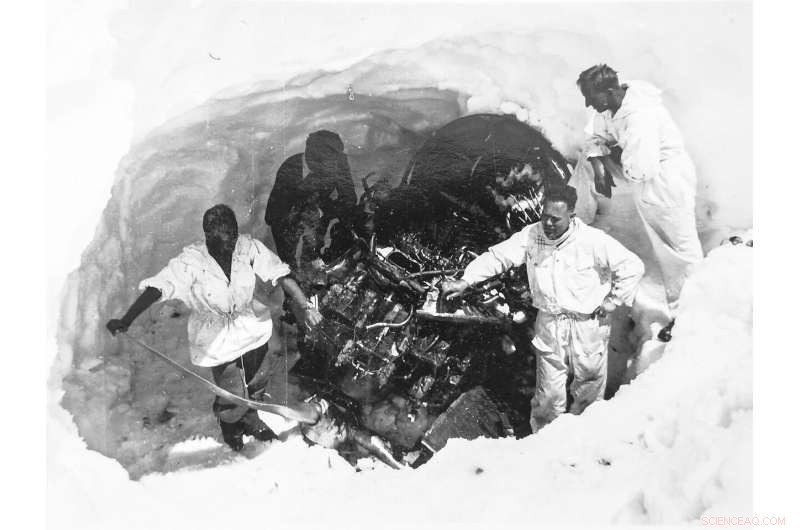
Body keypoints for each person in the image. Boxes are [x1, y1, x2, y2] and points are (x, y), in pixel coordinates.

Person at [106, 204, 323, 451]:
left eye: (232, 238)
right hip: (214, 334)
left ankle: (250, 417)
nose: (229, 246)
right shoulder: (191, 260)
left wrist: (306, 306)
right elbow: (158, 287)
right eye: (222, 241)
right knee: (232, 390)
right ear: (208, 237)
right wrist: (126, 319)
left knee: (256, 378)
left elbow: (280, 274)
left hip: (249, 325)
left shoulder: (246, 247)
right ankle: (230, 425)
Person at [441, 185, 644, 434]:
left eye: (555, 219)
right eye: (544, 216)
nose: (548, 223)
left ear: (571, 215)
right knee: (548, 397)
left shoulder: (593, 241)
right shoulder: (532, 235)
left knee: (588, 390)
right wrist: (467, 279)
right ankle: (544, 446)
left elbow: (632, 266)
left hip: (587, 325)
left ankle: (585, 443)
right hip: (549, 322)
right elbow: (499, 257)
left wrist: (614, 300)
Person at [576, 64, 703, 341]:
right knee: (589, 157)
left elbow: (641, 169)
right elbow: (596, 135)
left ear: (609, 91)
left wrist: (613, 154)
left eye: (592, 98)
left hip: (665, 185)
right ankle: (575, 221)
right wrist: (599, 162)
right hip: (642, 176)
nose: (589, 104)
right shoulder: (611, 105)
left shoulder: (640, 115)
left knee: (679, 253)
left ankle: (692, 317)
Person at [264, 130, 358, 266]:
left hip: (319, 213)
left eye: (335, 160)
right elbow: (273, 216)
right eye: (327, 162)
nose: (332, 167)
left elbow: (350, 199)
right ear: (311, 156)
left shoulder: (337, 162)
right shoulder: (290, 169)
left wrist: (322, 211)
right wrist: (302, 215)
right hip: (289, 221)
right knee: (293, 269)